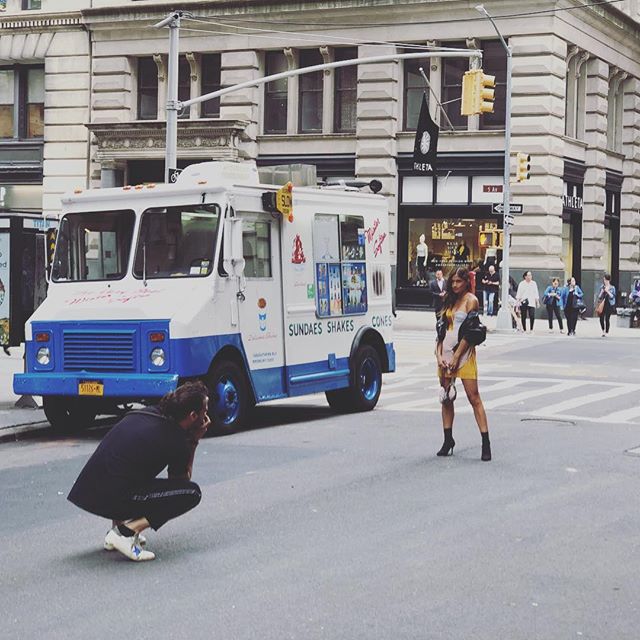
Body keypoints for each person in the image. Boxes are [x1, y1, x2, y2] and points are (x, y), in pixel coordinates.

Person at [67, 381, 210, 562]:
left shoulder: (147, 412)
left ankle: (115, 529)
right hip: (110, 499)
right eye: (205, 410)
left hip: (88, 492)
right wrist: (194, 441)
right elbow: (181, 482)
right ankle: (124, 533)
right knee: (191, 493)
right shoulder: (177, 439)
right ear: (192, 415)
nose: (207, 414)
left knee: (131, 468)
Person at [434, 267, 491, 461]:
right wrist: (439, 355)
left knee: (473, 397)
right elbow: (440, 330)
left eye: (459, 281)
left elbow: (470, 332)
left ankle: (485, 443)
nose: (455, 285)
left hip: (463, 354)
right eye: (453, 282)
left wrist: (457, 356)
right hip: (446, 353)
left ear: (467, 282)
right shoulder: (448, 299)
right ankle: (448, 440)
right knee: (446, 397)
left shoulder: (471, 301)